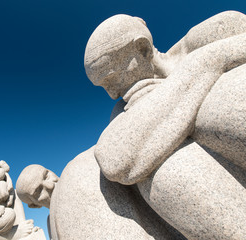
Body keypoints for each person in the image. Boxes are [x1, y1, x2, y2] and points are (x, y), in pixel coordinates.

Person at [84, 11, 246, 239]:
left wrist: (203, 60)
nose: (111, 94)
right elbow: (116, 160)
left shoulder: (207, 36)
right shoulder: (122, 109)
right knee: (161, 170)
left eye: (111, 79)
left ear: (143, 49)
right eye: (102, 86)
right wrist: (204, 66)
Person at [16, 160, 185, 240]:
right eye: (38, 191)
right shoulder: (49, 221)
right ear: (33, 205)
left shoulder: (80, 175)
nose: (50, 184)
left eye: (46, 174)